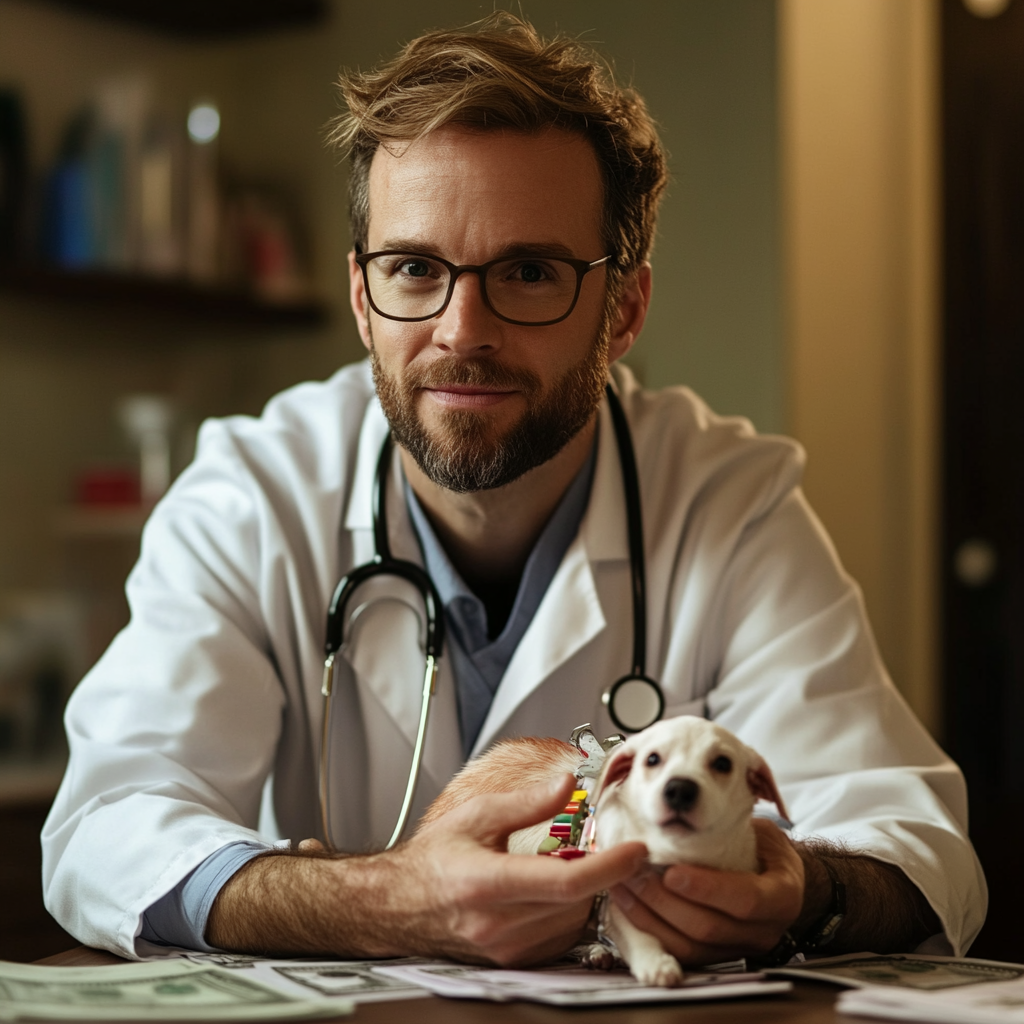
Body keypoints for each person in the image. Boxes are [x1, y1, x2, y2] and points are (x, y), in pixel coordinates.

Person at [42, 13, 985, 966]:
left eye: (529, 272)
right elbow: (106, 828)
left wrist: (800, 892)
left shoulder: (729, 505)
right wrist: (382, 899)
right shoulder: (251, 493)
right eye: (414, 268)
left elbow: (916, 849)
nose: (463, 329)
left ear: (623, 310)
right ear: (365, 301)